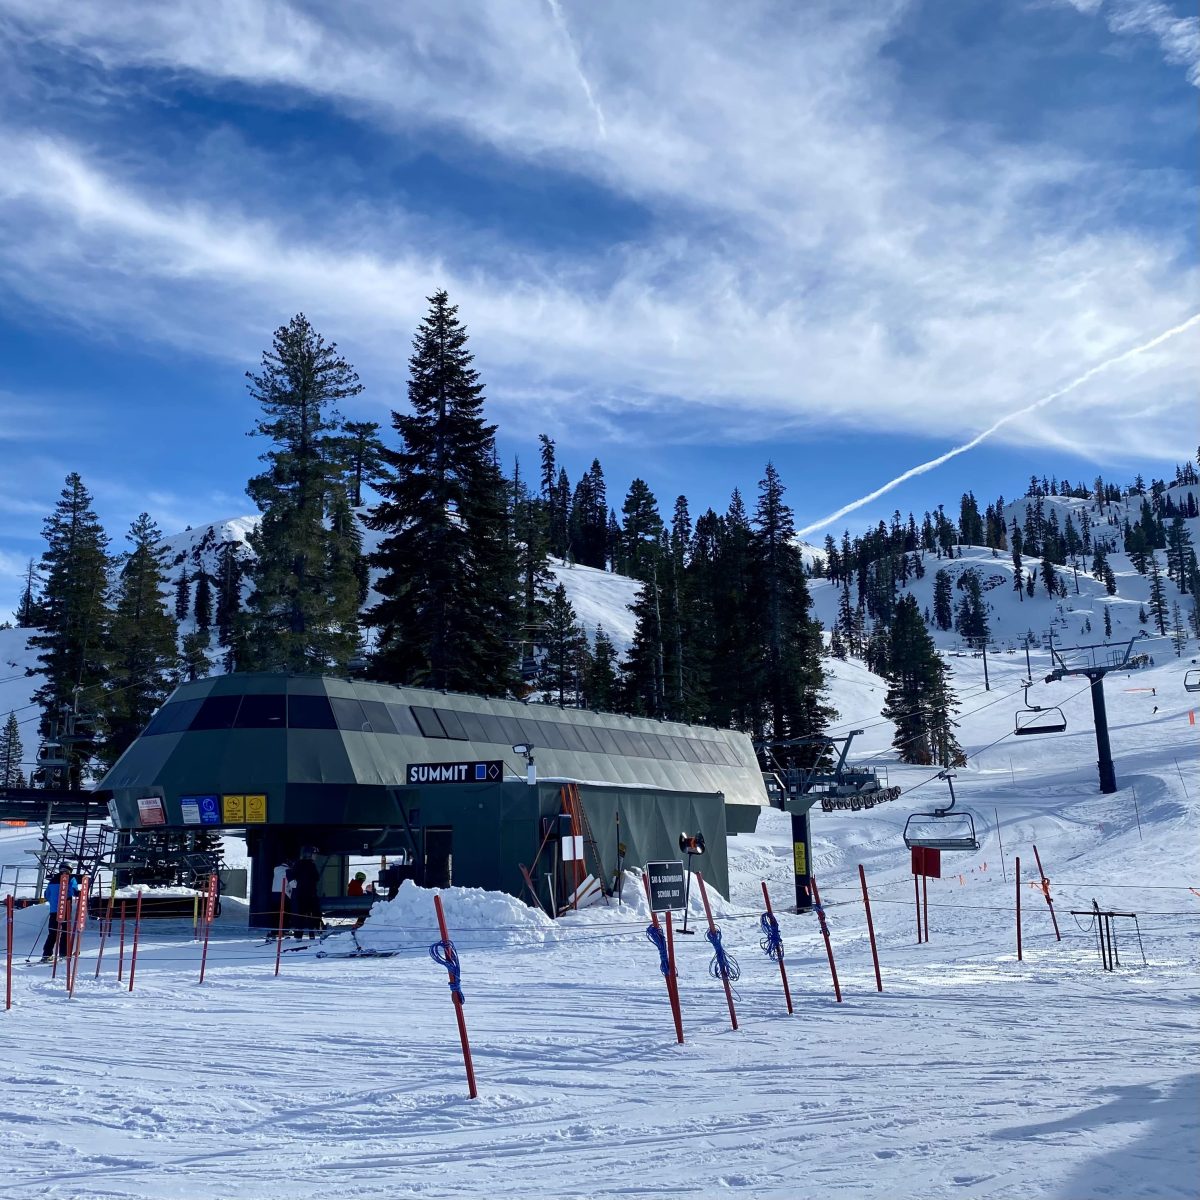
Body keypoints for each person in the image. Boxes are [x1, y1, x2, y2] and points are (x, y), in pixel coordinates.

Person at [40, 865, 80, 963]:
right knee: (65, 931)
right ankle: (63, 953)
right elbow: (74, 892)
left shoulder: (52, 880)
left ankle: (46, 954)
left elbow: (46, 895)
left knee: (53, 932)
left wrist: (54, 902)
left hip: (54, 911)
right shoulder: (71, 879)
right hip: (65, 909)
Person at [289, 847, 323, 940]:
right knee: (313, 913)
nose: (315, 856)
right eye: (314, 854)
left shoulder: (298, 864)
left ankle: (299, 935)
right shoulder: (309, 865)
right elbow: (316, 877)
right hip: (307, 894)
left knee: (302, 914)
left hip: (301, 894)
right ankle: (314, 932)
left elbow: (291, 874)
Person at [268, 857, 292, 940]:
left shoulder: (276, 869)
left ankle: (274, 931)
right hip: (284, 893)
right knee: (285, 913)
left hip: (274, 892)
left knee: (275, 913)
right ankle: (284, 930)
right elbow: (292, 883)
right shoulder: (288, 871)